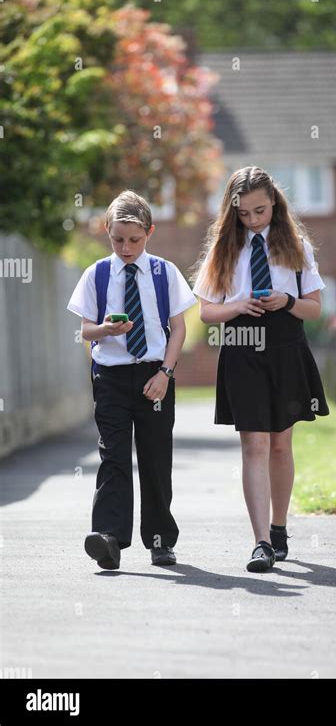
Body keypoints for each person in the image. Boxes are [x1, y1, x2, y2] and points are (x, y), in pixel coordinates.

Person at [191, 166, 329, 572]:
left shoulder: (296, 245)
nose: (252, 220)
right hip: (241, 348)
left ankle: (280, 527)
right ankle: (262, 544)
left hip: (286, 347)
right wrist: (235, 306)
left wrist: (286, 300)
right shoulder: (222, 249)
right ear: (231, 211)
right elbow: (206, 313)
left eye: (260, 211)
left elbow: (315, 309)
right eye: (244, 213)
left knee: (281, 445)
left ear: (275, 205)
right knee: (255, 444)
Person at [67, 190, 196, 569]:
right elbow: (85, 331)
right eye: (118, 239)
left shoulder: (164, 273)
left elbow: (178, 330)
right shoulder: (97, 274)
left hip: (154, 375)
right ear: (107, 231)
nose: (126, 247)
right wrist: (105, 329)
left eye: (134, 240)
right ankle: (109, 537)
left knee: (156, 459)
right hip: (111, 377)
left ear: (150, 233)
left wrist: (166, 374)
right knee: (114, 457)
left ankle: (160, 540)